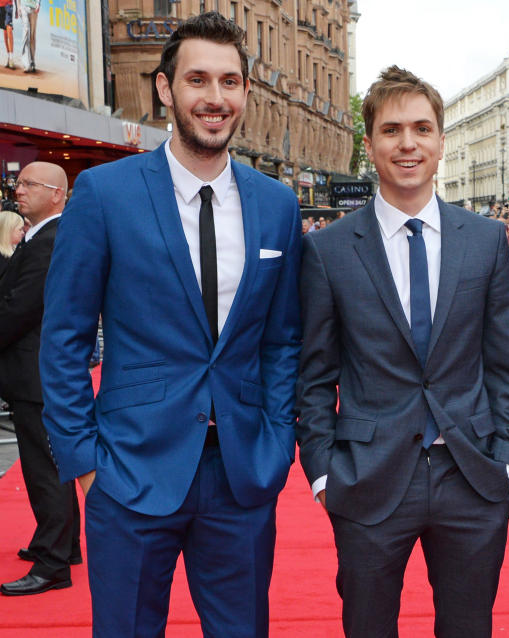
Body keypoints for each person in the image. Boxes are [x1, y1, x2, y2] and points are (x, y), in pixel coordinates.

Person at [40, 13, 301, 636]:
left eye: (231, 82)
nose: (215, 99)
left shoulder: (277, 204)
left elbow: (283, 337)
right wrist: (84, 461)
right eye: (198, 80)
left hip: (241, 474)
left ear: (245, 94)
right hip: (128, 470)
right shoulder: (104, 193)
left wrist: (276, 439)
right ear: (165, 88)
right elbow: (63, 339)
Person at [296, 66, 509, 638]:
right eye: (392, 129)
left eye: (422, 128)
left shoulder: (484, 239)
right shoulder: (328, 250)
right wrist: (324, 472)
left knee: (469, 627)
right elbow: (315, 375)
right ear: (368, 143)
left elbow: (505, 364)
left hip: (471, 473)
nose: (407, 143)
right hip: (367, 477)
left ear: (440, 141)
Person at [0, 162, 80, 597]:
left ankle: (53, 563)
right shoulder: (42, 237)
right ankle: (63, 547)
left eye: (29, 183)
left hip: (37, 374)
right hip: (36, 372)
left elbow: (19, 308)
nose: (18, 189)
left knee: (44, 468)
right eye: (18, 182)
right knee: (53, 464)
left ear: (56, 194)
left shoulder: (51, 240)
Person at [0, 208, 24, 278]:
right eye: (20, 229)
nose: (23, 232)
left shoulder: (15, 251)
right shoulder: (2, 259)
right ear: (8, 230)